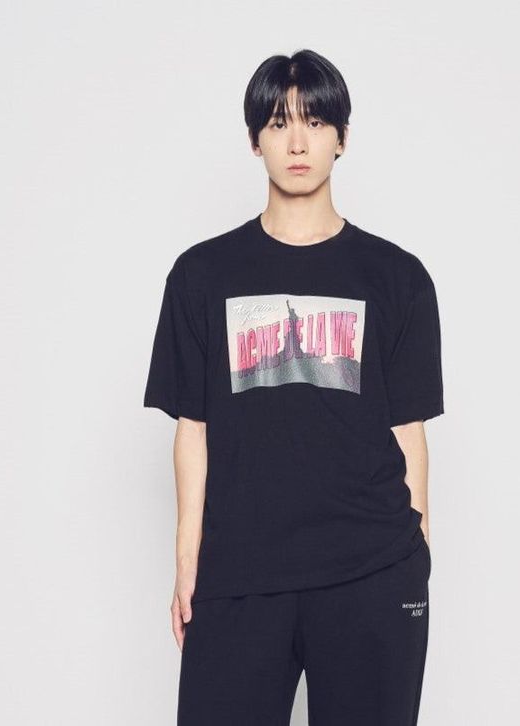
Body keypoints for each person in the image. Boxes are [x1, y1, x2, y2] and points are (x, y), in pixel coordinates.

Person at [143, 48, 444, 726]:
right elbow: (193, 428)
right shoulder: (201, 275)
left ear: (343, 137)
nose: (298, 141)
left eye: (315, 121)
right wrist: (188, 562)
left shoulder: (397, 278)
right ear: (256, 140)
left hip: (372, 571)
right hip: (240, 575)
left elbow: (409, 433)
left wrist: (417, 560)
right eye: (279, 123)